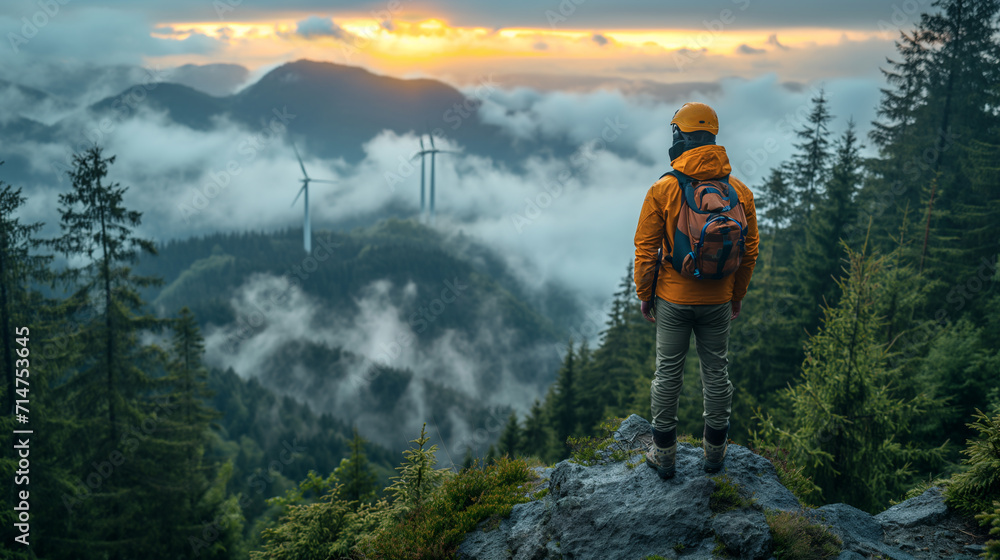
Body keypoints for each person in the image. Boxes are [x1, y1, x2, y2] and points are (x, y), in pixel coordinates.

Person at [632, 102, 759, 478]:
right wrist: (736, 294)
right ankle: (715, 456)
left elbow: (645, 249)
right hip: (719, 299)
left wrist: (645, 292)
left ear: (678, 137)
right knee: (716, 373)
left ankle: (665, 455)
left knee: (668, 374)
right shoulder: (739, 191)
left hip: (673, 297)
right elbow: (749, 251)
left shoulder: (664, 189)